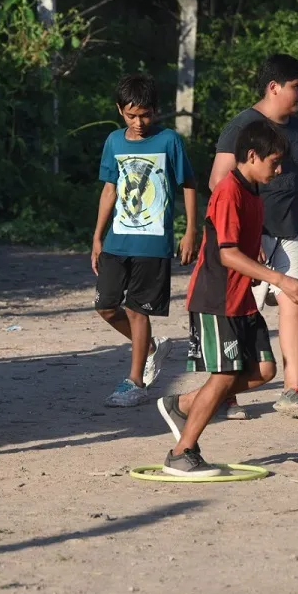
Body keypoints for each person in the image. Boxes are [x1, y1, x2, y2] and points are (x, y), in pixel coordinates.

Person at [156, 120, 298, 476]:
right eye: (274, 161)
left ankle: (184, 404)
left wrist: (259, 264)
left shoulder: (253, 190)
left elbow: (241, 247)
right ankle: (182, 452)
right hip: (217, 299)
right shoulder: (229, 191)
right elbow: (226, 254)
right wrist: (281, 281)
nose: (280, 168)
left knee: (265, 371)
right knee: (225, 377)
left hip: (241, 299)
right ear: (251, 156)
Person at [208, 53, 298, 419]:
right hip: (251, 237)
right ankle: (226, 391)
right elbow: (218, 181)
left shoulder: (296, 126)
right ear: (273, 87)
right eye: (296, 86)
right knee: (240, 313)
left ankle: (292, 389)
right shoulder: (242, 126)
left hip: (289, 230)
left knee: (296, 300)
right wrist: (248, 236)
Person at [91, 74, 196, 407]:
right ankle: (150, 346)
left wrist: (191, 230)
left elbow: (189, 184)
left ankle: (135, 382)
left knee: (137, 311)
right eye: (132, 115)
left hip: (153, 243)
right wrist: (97, 236)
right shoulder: (113, 142)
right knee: (106, 306)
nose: (139, 122)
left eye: (146, 115)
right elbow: (109, 188)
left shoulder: (169, 141)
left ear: (156, 111)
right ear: (120, 110)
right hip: (116, 240)